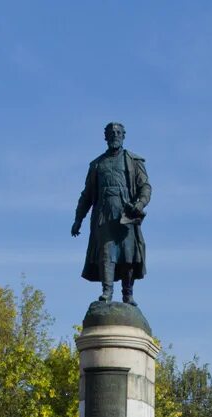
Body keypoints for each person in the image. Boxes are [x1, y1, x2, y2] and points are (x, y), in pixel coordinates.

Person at [72, 122, 151, 304]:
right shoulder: (97, 165)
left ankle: (127, 294)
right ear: (105, 137)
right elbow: (87, 195)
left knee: (128, 256)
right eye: (111, 133)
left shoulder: (133, 160)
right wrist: (78, 219)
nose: (115, 135)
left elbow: (145, 186)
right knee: (107, 254)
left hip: (126, 215)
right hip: (104, 215)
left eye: (118, 132)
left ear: (123, 135)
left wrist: (140, 204)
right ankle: (107, 292)